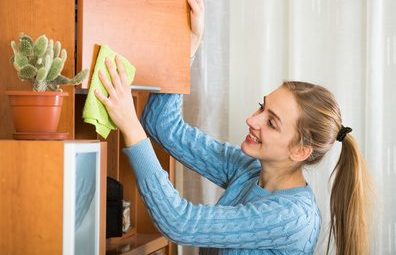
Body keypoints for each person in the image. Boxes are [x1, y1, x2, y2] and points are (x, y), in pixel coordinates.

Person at [94, 0, 371, 254]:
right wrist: (187, 45)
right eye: (261, 107)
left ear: (300, 151)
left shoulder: (291, 218)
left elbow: (179, 223)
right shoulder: (249, 171)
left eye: (271, 122)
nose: (252, 120)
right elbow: (163, 126)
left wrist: (130, 125)